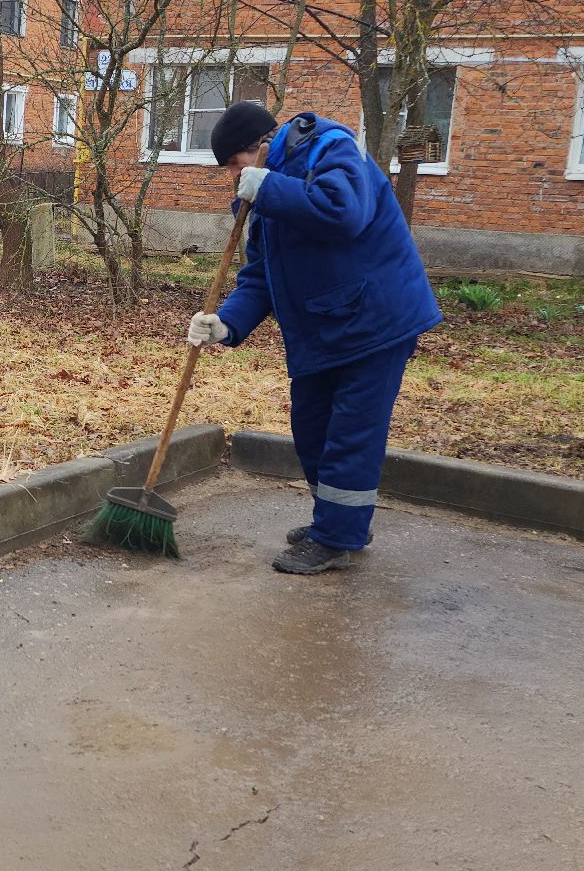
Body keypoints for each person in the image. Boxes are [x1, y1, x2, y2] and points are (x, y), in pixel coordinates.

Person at [189, 101, 443, 575]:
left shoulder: (331, 146)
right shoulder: (262, 197)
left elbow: (344, 211)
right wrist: (226, 323)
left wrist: (270, 188)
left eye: (234, 165)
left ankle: (335, 538)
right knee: (311, 428)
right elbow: (262, 274)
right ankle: (342, 519)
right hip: (325, 328)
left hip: (375, 321)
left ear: (258, 147)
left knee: (350, 432)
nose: (232, 177)